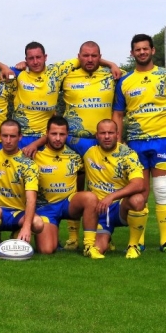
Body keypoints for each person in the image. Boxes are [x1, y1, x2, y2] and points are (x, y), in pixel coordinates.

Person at [113, 34, 166, 254]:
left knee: (162, 192)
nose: (141, 52)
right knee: (139, 195)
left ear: (153, 50)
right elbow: (118, 114)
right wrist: (119, 143)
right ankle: (137, 241)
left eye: (145, 49)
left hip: (162, 142)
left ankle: (165, 243)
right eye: (137, 50)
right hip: (134, 144)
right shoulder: (125, 81)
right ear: (132, 53)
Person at [59, 41, 120, 250]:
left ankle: (103, 234)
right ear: (79, 56)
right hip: (74, 141)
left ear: (100, 56)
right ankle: (74, 236)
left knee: (102, 189)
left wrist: (110, 63)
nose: (90, 60)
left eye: (95, 56)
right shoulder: (67, 74)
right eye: (86, 56)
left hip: (101, 140)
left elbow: (139, 76)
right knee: (74, 188)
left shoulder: (111, 75)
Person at [13, 41, 121, 158]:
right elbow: (4, 72)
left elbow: (89, 58)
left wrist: (112, 64)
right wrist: (22, 65)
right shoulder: (19, 74)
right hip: (62, 138)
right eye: (31, 58)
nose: (35, 61)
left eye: (38, 57)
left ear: (45, 57)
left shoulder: (57, 71)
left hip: (98, 136)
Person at [33, 116, 99, 255]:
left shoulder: (75, 155)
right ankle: (51, 232)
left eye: (62, 134)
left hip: (67, 204)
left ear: (67, 135)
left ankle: (89, 245)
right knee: (46, 250)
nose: (58, 138)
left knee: (90, 198)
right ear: (47, 133)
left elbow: (82, 174)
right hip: (46, 207)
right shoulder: (35, 154)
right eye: (54, 134)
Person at [83, 120, 147, 259]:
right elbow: (61, 136)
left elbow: (139, 184)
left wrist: (111, 197)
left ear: (117, 134)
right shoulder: (88, 151)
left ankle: (133, 246)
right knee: (98, 249)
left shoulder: (128, 154)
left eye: (110, 133)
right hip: (99, 210)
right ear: (97, 135)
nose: (107, 136)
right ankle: (106, 238)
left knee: (138, 200)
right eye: (103, 133)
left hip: (119, 207)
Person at [0, 120, 44, 253]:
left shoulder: (28, 164)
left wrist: (26, 226)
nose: (8, 140)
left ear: (20, 137)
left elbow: (31, 198)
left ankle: (17, 234)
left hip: (18, 213)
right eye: (5, 136)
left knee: (38, 224)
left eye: (12, 136)